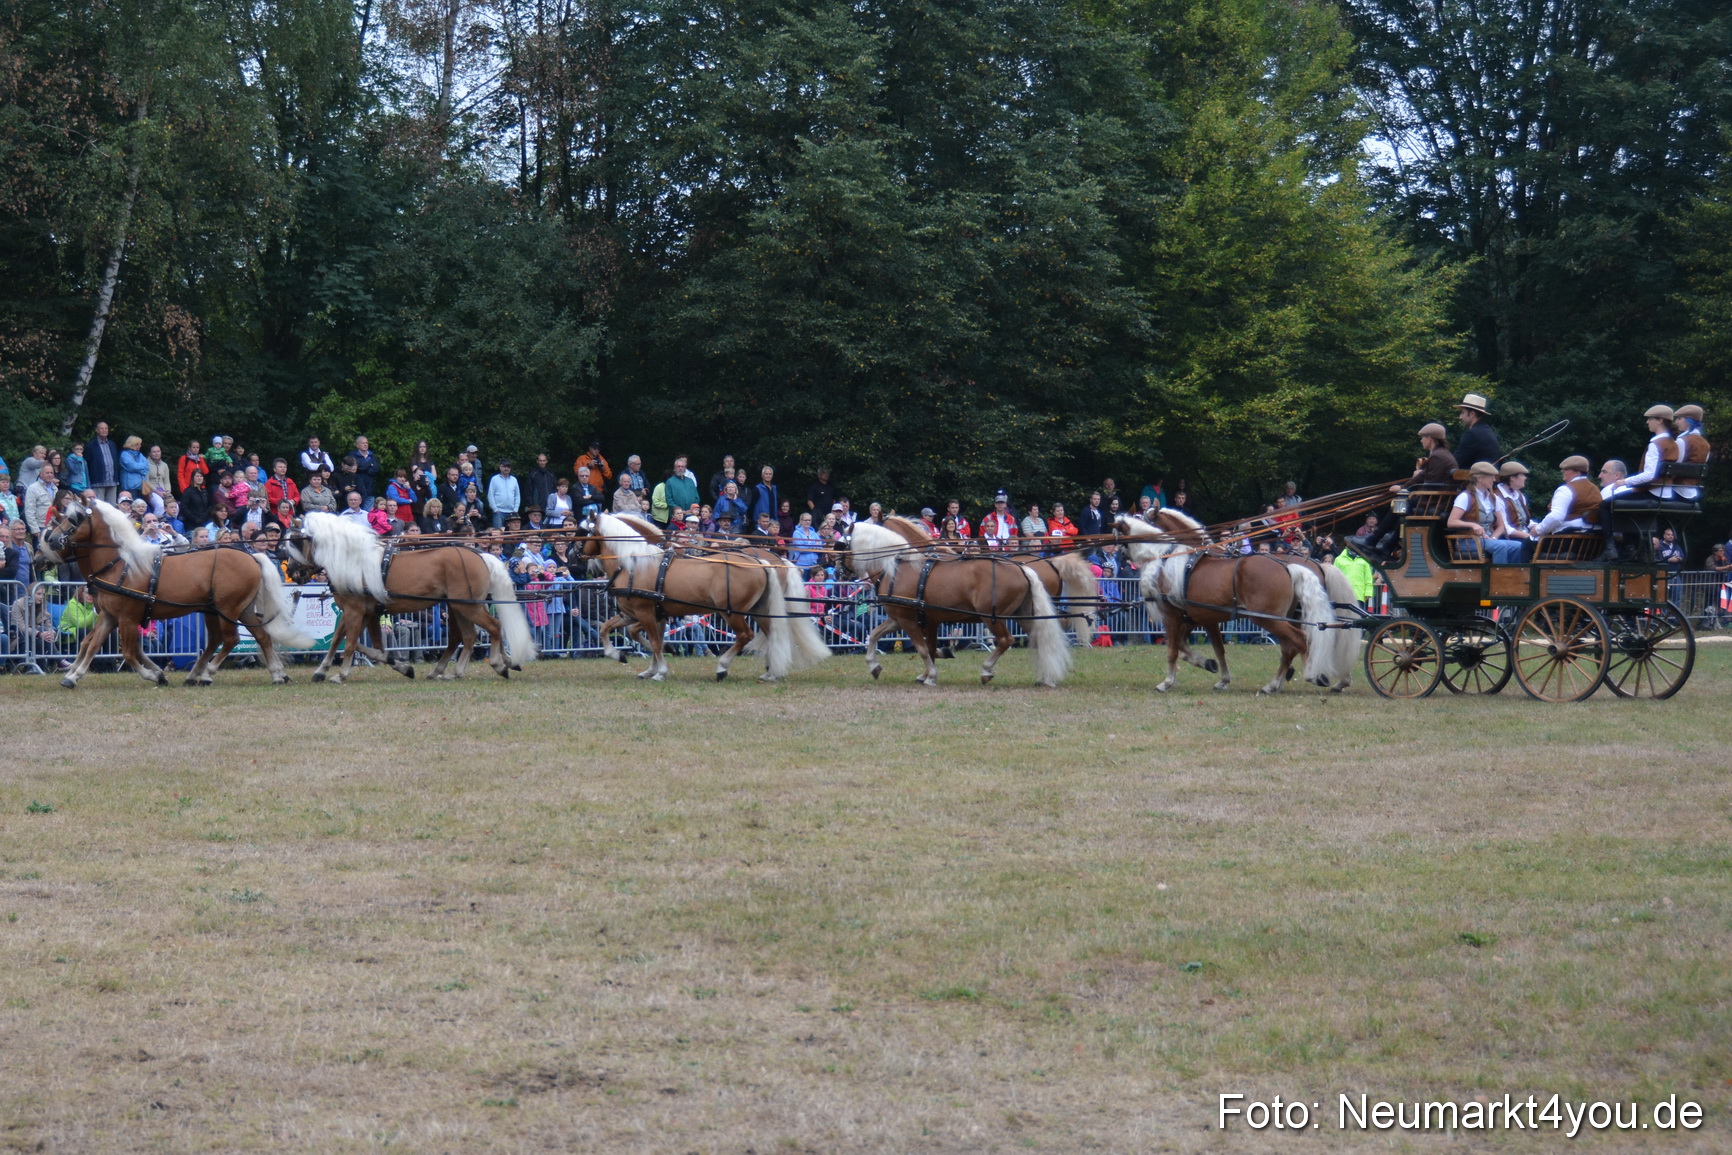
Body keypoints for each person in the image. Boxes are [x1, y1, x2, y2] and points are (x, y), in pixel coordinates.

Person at [1349, 422, 1459, 562]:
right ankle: (1387, 546)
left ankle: (1372, 541)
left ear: (1429, 438)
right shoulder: (1442, 454)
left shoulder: (1437, 457)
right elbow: (1422, 476)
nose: (1421, 441)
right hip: (1436, 501)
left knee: (1399, 505)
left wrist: (1408, 493)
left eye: (1422, 438)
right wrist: (1402, 488)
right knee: (1401, 504)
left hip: (1433, 502)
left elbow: (1430, 485)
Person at [1448, 462, 1524, 562]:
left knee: (1518, 545)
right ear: (1479, 478)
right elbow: (1451, 522)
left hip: (1488, 540)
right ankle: (1498, 576)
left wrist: (1493, 538)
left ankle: (1512, 576)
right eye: (1491, 477)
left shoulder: (1493, 498)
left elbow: (1500, 526)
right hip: (1469, 540)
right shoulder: (1465, 497)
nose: (1494, 479)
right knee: (1500, 546)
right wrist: (1473, 525)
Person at [1529, 455, 1602, 541]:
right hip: (1593, 540)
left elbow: (1556, 517)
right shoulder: (1595, 489)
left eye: (1566, 469)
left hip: (1568, 539)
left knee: (1527, 544)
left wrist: (1538, 530)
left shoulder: (1566, 489)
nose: (1562, 471)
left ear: (1577, 472)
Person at [1671, 404, 1710, 501]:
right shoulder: (1706, 445)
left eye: (1679, 418)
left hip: (1675, 490)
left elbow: (1675, 467)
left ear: (1689, 421)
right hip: (1694, 492)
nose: (1676, 422)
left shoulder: (1681, 441)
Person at [1455, 393, 1500, 469]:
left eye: (1463, 413)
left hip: (1476, 479)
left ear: (1472, 414)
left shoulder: (1472, 434)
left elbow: (1457, 462)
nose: (1460, 417)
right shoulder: (1487, 431)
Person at [84, 420, 119, 504]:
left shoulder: (112, 444)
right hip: (98, 481)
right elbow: (87, 463)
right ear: (97, 430)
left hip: (112, 481)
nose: (104, 430)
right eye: (101, 428)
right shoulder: (91, 445)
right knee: (99, 506)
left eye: (106, 428)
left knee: (112, 507)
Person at [23, 465, 57, 539]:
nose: (50, 475)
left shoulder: (55, 488)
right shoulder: (33, 488)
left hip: (54, 526)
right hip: (40, 527)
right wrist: (35, 529)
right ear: (41, 474)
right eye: (47, 473)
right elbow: (29, 510)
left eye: (51, 473)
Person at [351, 435, 381, 501]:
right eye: (363, 443)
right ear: (357, 445)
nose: (365, 444)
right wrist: (369, 465)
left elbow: (376, 469)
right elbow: (359, 468)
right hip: (358, 488)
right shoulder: (352, 455)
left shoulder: (372, 456)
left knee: (369, 511)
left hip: (370, 489)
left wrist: (364, 468)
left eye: (366, 443)